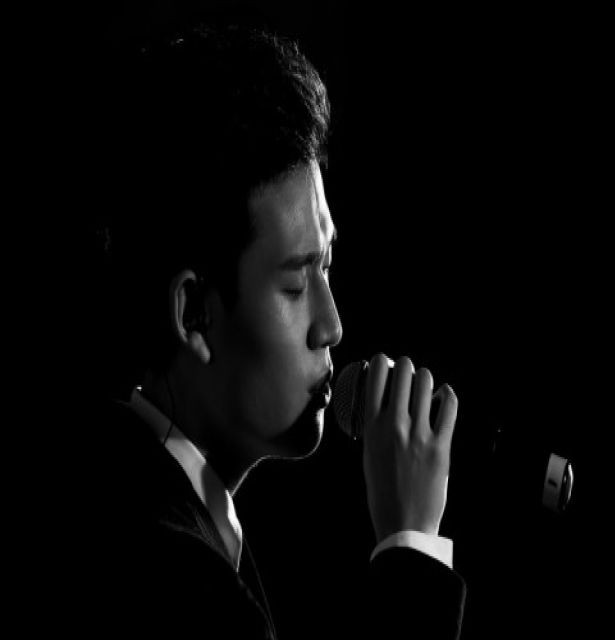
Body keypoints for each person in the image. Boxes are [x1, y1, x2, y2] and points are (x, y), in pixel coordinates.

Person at [80, 23, 466, 639]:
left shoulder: (155, 502)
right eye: (293, 284)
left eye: (327, 266)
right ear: (195, 315)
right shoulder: (168, 576)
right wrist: (411, 543)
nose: (332, 326)